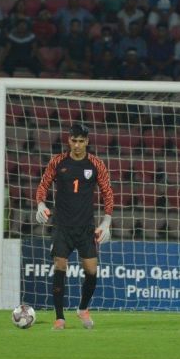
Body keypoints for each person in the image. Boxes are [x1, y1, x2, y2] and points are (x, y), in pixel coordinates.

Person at [35, 123, 114, 330]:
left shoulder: (96, 164)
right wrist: (41, 204)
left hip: (86, 227)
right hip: (62, 226)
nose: (77, 145)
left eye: (81, 141)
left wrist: (106, 222)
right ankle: (60, 318)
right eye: (74, 140)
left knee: (91, 270)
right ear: (68, 140)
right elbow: (43, 185)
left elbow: (107, 192)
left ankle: (82, 309)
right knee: (60, 266)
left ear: (87, 141)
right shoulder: (58, 162)